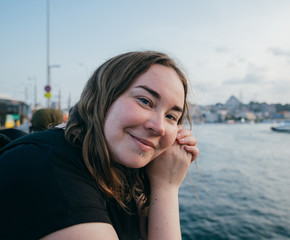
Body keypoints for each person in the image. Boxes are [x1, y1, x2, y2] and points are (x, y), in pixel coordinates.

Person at [0, 51, 199, 240]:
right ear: (102, 98)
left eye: (171, 116)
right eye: (145, 101)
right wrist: (166, 187)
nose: (160, 127)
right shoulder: (46, 167)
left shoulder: (118, 171)